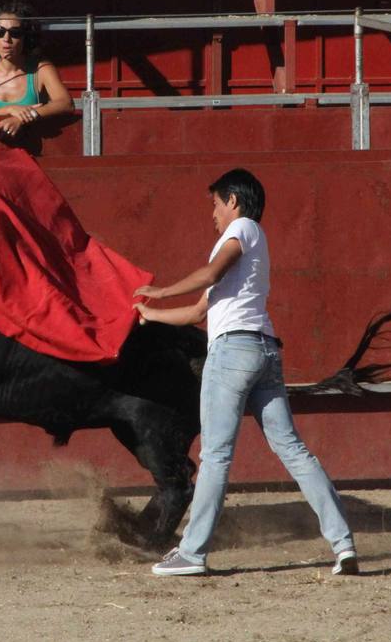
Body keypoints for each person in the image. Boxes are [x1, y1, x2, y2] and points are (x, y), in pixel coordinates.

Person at [134, 169, 360, 578]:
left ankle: (192, 552)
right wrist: (152, 315)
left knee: (216, 455)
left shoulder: (242, 228)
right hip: (263, 352)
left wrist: (160, 290)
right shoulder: (248, 241)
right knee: (292, 450)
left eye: (216, 204)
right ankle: (343, 544)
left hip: (233, 353)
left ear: (233, 201)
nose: (214, 215)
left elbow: (209, 276)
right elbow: (200, 311)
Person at [0, 0, 72, 137]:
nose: (6, 38)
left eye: (15, 32)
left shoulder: (41, 69)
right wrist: (11, 109)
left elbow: (66, 103)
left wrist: (22, 118)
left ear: (26, 36)